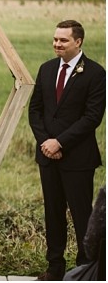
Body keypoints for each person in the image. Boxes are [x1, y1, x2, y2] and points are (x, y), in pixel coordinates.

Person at [27, 20, 106, 281]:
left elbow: (92, 117)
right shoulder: (47, 69)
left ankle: (86, 268)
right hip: (47, 157)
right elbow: (35, 110)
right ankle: (55, 268)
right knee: (53, 212)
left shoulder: (95, 73)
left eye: (63, 40)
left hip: (78, 158)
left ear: (78, 42)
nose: (57, 44)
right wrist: (46, 143)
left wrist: (59, 142)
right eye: (55, 39)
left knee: (82, 213)